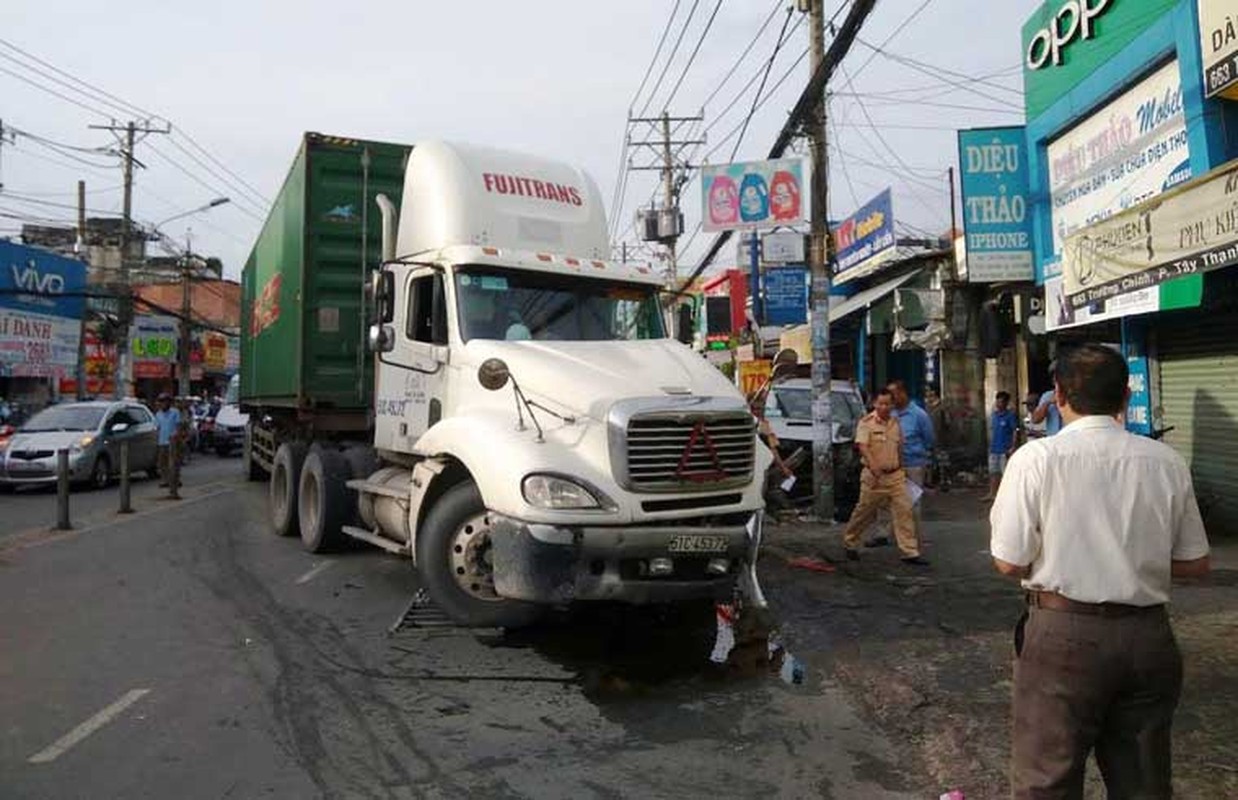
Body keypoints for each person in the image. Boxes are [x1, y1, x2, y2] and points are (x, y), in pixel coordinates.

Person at [989, 344, 1210, 799]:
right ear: (1125, 398)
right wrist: (1132, 556)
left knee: (1046, 781)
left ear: (1059, 395)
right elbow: (1195, 562)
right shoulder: (1165, 462)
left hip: (1062, 636)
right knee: (1143, 783)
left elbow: (1010, 560)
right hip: (1148, 637)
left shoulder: (1036, 459)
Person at [841, 388, 928, 567]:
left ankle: (909, 551)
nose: (884, 407)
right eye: (880, 403)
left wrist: (902, 470)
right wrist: (874, 469)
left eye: (887, 403)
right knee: (864, 512)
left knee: (904, 512)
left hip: (895, 476)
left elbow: (899, 449)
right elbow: (863, 447)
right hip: (874, 477)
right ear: (874, 404)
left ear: (892, 404)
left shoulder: (895, 423)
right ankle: (850, 542)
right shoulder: (866, 423)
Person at [867, 379, 934, 548]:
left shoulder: (919, 415)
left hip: (913, 464)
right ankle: (882, 534)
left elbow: (929, 439)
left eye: (893, 394)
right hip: (889, 464)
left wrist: (918, 455)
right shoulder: (889, 414)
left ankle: (912, 538)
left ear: (902, 393)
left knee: (911, 502)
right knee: (884, 500)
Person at [983, 391, 1018, 502]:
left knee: (1005, 474)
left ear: (1006, 403)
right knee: (993, 472)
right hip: (994, 448)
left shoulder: (1010, 416)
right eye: (997, 401)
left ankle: (1006, 495)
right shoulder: (994, 415)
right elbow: (992, 430)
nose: (999, 403)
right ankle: (992, 493)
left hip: (1005, 449)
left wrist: (1013, 446)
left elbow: (1015, 431)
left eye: (1001, 401)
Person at [154, 393, 182, 499]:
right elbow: (157, 428)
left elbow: (178, 426)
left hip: (173, 442)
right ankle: (167, 480)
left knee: (173, 464)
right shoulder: (158, 414)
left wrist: (176, 436)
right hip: (162, 442)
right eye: (160, 402)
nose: (162, 404)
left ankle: (174, 486)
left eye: (164, 401)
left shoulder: (175, 412)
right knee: (162, 463)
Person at [1030, 362, 1064, 436]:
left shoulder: (1076, 395)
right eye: (1055, 376)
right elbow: (1035, 420)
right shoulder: (1047, 395)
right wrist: (1047, 403)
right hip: (1053, 439)